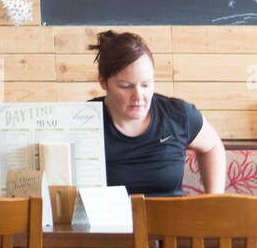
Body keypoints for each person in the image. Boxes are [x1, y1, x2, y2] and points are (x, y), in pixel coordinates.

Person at [90, 30, 226, 196]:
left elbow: (212, 146)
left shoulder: (178, 115)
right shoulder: (82, 120)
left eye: (146, 85)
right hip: (109, 221)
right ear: (103, 82)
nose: (139, 97)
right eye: (126, 86)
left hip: (171, 220)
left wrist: (214, 201)